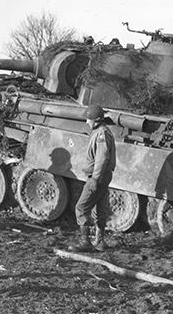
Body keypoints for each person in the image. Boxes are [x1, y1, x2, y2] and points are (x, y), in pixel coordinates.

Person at [69, 104, 116, 252]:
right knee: (99, 209)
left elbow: (102, 159)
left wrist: (95, 179)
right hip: (103, 176)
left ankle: (85, 242)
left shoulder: (101, 134)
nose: (86, 122)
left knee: (81, 208)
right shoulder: (101, 132)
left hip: (98, 177)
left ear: (95, 120)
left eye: (88, 119)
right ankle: (100, 242)